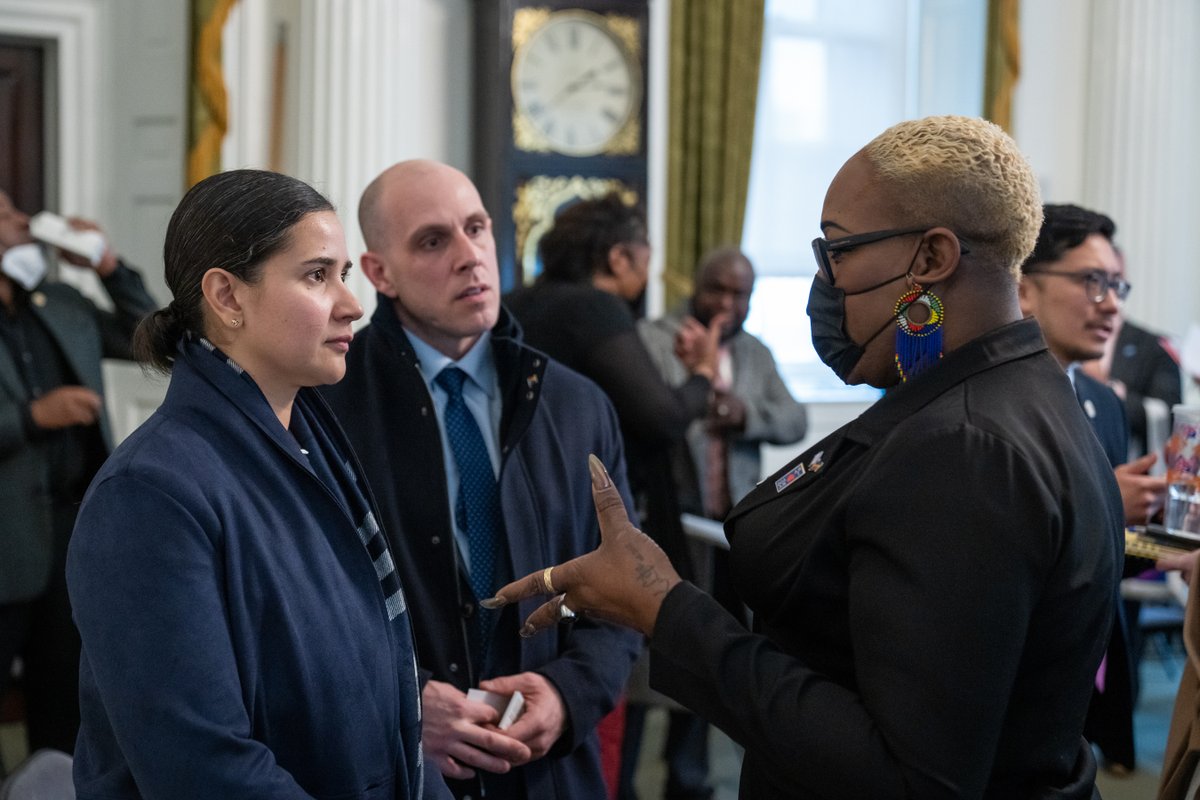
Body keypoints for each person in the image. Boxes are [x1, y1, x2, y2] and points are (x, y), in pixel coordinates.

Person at [485, 115, 1124, 798]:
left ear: (932, 259)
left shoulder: (963, 447)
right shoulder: (1021, 392)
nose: (826, 279)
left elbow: (906, 779)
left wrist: (664, 609)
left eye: (839, 252)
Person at [66, 169, 442, 799]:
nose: (351, 304)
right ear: (227, 297)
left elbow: (379, 706)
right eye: (316, 275)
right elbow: (202, 767)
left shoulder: (320, 452)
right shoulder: (148, 494)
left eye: (343, 274)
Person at [320, 159, 640, 800]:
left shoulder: (575, 406)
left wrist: (564, 693)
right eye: (433, 241)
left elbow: (624, 595)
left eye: (476, 229)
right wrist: (402, 707)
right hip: (397, 771)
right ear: (379, 272)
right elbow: (302, 615)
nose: (470, 257)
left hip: (547, 770)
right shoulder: (326, 406)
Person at [504, 194, 723, 798]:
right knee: (598, 710)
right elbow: (660, 418)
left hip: (518, 523)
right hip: (586, 533)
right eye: (646, 254)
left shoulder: (516, 302)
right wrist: (704, 374)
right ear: (620, 255)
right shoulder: (594, 309)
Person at [636, 245, 807, 798]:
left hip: (732, 532)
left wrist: (744, 415)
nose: (728, 304)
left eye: (741, 295)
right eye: (717, 290)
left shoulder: (755, 354)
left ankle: (693, 779)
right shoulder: (655, 340)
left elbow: (794, 418)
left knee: (713, 655)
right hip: (667, 526)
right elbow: (647, 418)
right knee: (653, 653)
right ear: (695, 286)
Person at [0, 190, 156, 760]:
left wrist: (108, 267)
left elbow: (155, 337)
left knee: (64, 704)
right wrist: (29, 418)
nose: (22, 219)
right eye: (4, 214)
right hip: (7, 538)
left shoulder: (59, 301)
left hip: (73, 532)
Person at [1018, 203, 1169, 772]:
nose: (1114, 304)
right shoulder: (989, 403)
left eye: (1118, 285)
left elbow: (1101, 558)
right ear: (1024, 289)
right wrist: (1106, 504)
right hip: (1018, 671)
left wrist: (1157, 539)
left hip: (1086, 657)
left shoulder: (1103, 403)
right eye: (1092, 282)